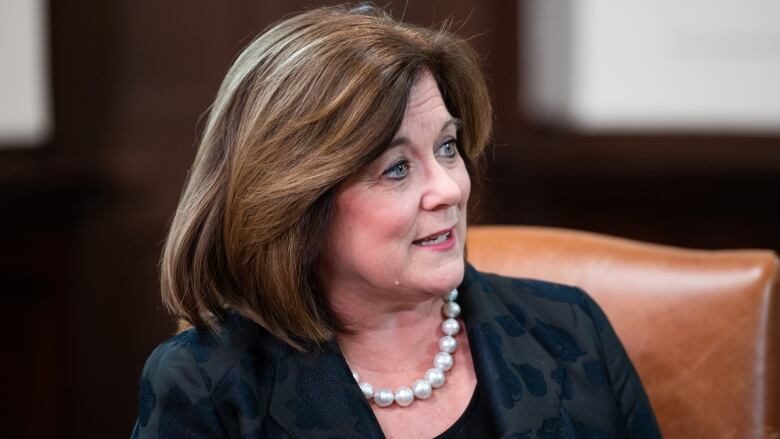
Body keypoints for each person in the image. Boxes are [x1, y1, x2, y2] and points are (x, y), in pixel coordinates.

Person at [132, 4, 661, 438]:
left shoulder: (569, 332)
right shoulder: (208, 386)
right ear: (294, 205)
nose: (451, 188)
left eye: (448, 146)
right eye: (397, 168)